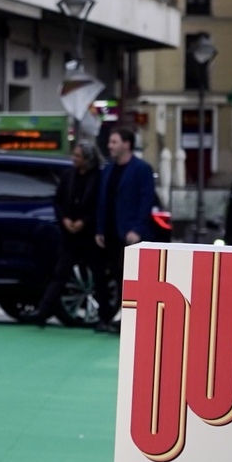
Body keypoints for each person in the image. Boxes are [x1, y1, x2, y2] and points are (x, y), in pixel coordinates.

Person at [29, 141, 102, 325]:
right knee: (60, 274)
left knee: (98, 275)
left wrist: (84, 221)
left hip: (89, 235)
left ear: (87, 159)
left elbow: (100, 206)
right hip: (69, 236)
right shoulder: (69, 176)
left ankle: (105, 316)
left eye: (78, 156)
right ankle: (43, 312)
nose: (74, 159)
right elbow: (58, 201)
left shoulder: (98, 178)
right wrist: (65, 220)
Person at [94, 128, 156, 334]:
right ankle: (108, 316)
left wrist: (137, 228)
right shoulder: (108, 170)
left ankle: (129, 318)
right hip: (110, 232)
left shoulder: (141, 169)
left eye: (114, 142)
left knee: (128, 276)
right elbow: (102, 201)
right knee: (110, 275)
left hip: (129, 233)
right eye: (110, 142)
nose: (110, 146)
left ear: (126, 144)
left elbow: (146, 200)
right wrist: (100, 229)